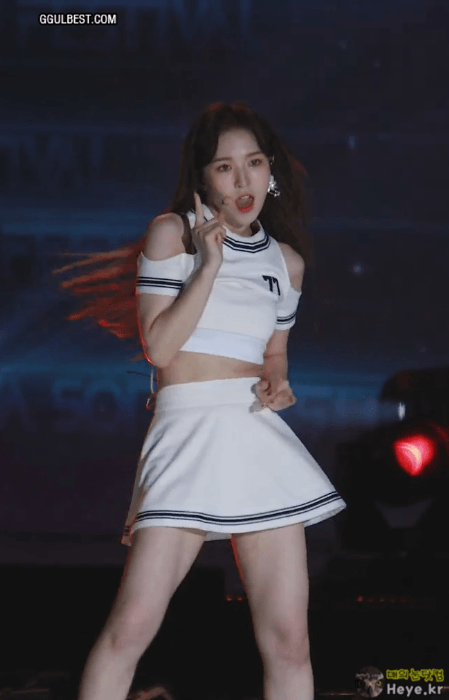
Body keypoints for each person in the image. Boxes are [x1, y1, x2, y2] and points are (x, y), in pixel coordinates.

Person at [53, 102, 346, 700]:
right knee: (131, 629)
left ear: (271, 170)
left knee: (290, 642)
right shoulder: (174, 234)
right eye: (224, 167)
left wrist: (278, 382)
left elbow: (274, 354)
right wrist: (209, 266)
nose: (242, 181)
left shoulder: (285, 263)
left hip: (255, 435)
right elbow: (160, 348)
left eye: (254, 163)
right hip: (188, 434)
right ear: (203, 178)